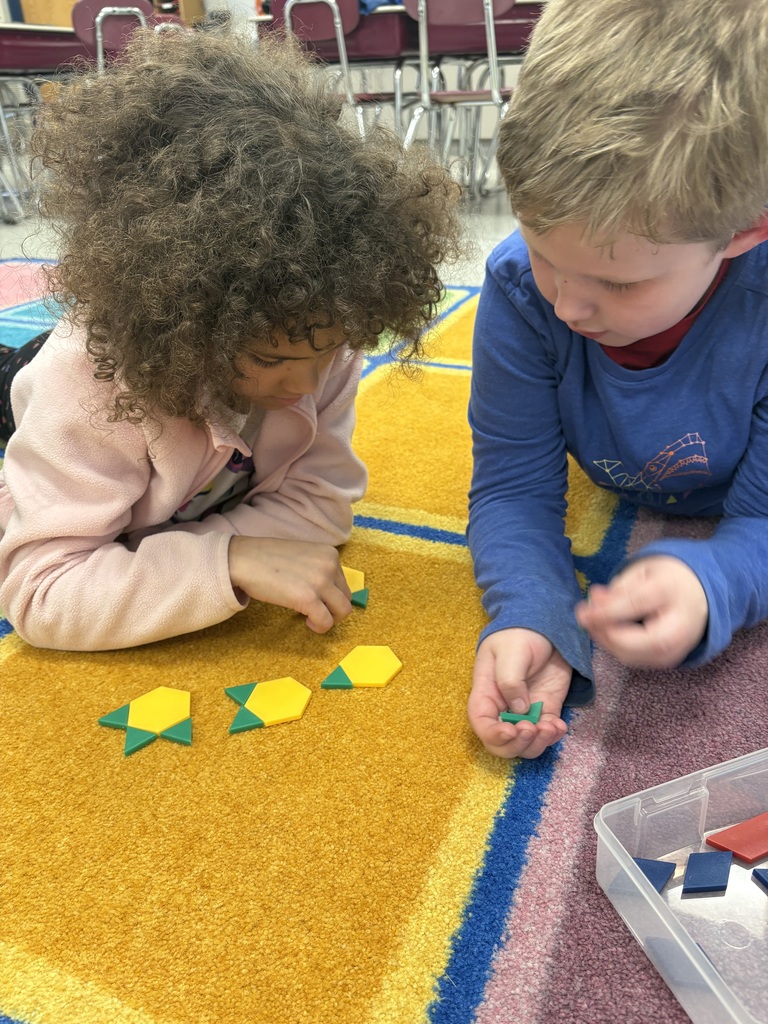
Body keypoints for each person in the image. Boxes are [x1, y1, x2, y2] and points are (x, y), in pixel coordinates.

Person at [0, 28, 461, 651]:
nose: (307, 384)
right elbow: (44, 590)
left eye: (327, 355)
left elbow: (320, 508)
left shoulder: (323, 323)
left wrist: (167, 557)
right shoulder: (85, 385)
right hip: (47, 391)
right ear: (182, 323)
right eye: (271, 359)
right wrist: (230, 558)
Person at [467, 0, 768, 759]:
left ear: (743, 232)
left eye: (620, 283)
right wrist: (531, 611)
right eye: (543, 253)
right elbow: (512, 487)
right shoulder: (519, 287)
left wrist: (710, 581)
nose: (568, 306)